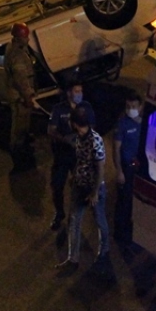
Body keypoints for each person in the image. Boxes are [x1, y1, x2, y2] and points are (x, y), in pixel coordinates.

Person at [57, 106, 110, 269]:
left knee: (100, 221)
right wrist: (75, 175)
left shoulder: (95, 141)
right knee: (74, 220)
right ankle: (73, 259)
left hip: (93, 189)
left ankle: (104, 253)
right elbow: (81, 161)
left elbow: (100, 168)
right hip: (79, 186)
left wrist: (95, 192)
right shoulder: (79, 138)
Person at [47, 82, 94, 231]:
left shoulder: (86, 107)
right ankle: (59, 213)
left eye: (81, 91)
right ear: (69, 93)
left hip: (79, 156)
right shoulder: (58, 109)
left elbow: (92, 127)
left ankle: (75, 216)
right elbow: (51, 130)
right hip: (62, 155)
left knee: (79, 186)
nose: (80, 94)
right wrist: (65, 139)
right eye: (76, 91)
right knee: (57, 186)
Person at [5, 22, 37, 169]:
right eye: (25, 37)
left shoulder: (12, 48)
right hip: (20, 98)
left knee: (22, 125)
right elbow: (21, 80)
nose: (28, 39)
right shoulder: (17, 55)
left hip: (17, 95)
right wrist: (27, 97)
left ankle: (22, 149)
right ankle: (19, 157)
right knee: (19, 127)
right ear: (18, 38)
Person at [111, 93, 141, 247]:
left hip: (138, 168)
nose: (131, 109)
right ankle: (119, 234)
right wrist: (119, 171)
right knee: (124, 202)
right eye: (128, 107)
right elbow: (116, 149)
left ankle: (130, 232)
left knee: (134, 202)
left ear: (140, 107)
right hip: (126, 168)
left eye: (134, 106)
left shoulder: (143, 122)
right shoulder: (122, 124)